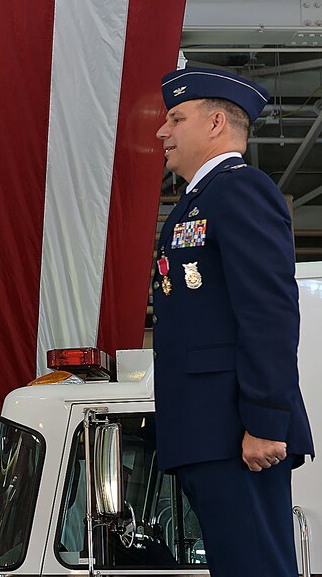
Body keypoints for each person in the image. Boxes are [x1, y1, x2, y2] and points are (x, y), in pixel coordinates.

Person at [153, 67, 314, 576]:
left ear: (216, 122)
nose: (163, 131)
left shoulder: (241, 191)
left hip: (238, 433)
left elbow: (268, 314)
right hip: (208, 429)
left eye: (176, 118)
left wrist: (265, 421)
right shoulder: (198, 202)